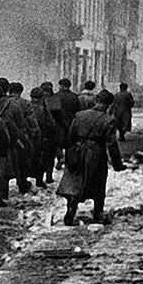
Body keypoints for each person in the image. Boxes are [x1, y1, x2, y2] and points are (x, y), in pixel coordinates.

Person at [57, 90, 126, 226]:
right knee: (98, 183)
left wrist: (69, 153)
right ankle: (98, 213)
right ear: (109, 105)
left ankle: (71, 208)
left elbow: (71, 136)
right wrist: (117, 164)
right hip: (96, 154)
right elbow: (111, 144)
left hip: (77, 152)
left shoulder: (80, 115)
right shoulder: (108, 120)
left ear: (96, 101)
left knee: (75, 181)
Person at [29, 87, 59, 186]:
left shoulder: (27, 106)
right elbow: (50, 124)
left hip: (28, 137)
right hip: (42, 137)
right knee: (42, 159)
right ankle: (40, 180)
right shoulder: (43, 109)